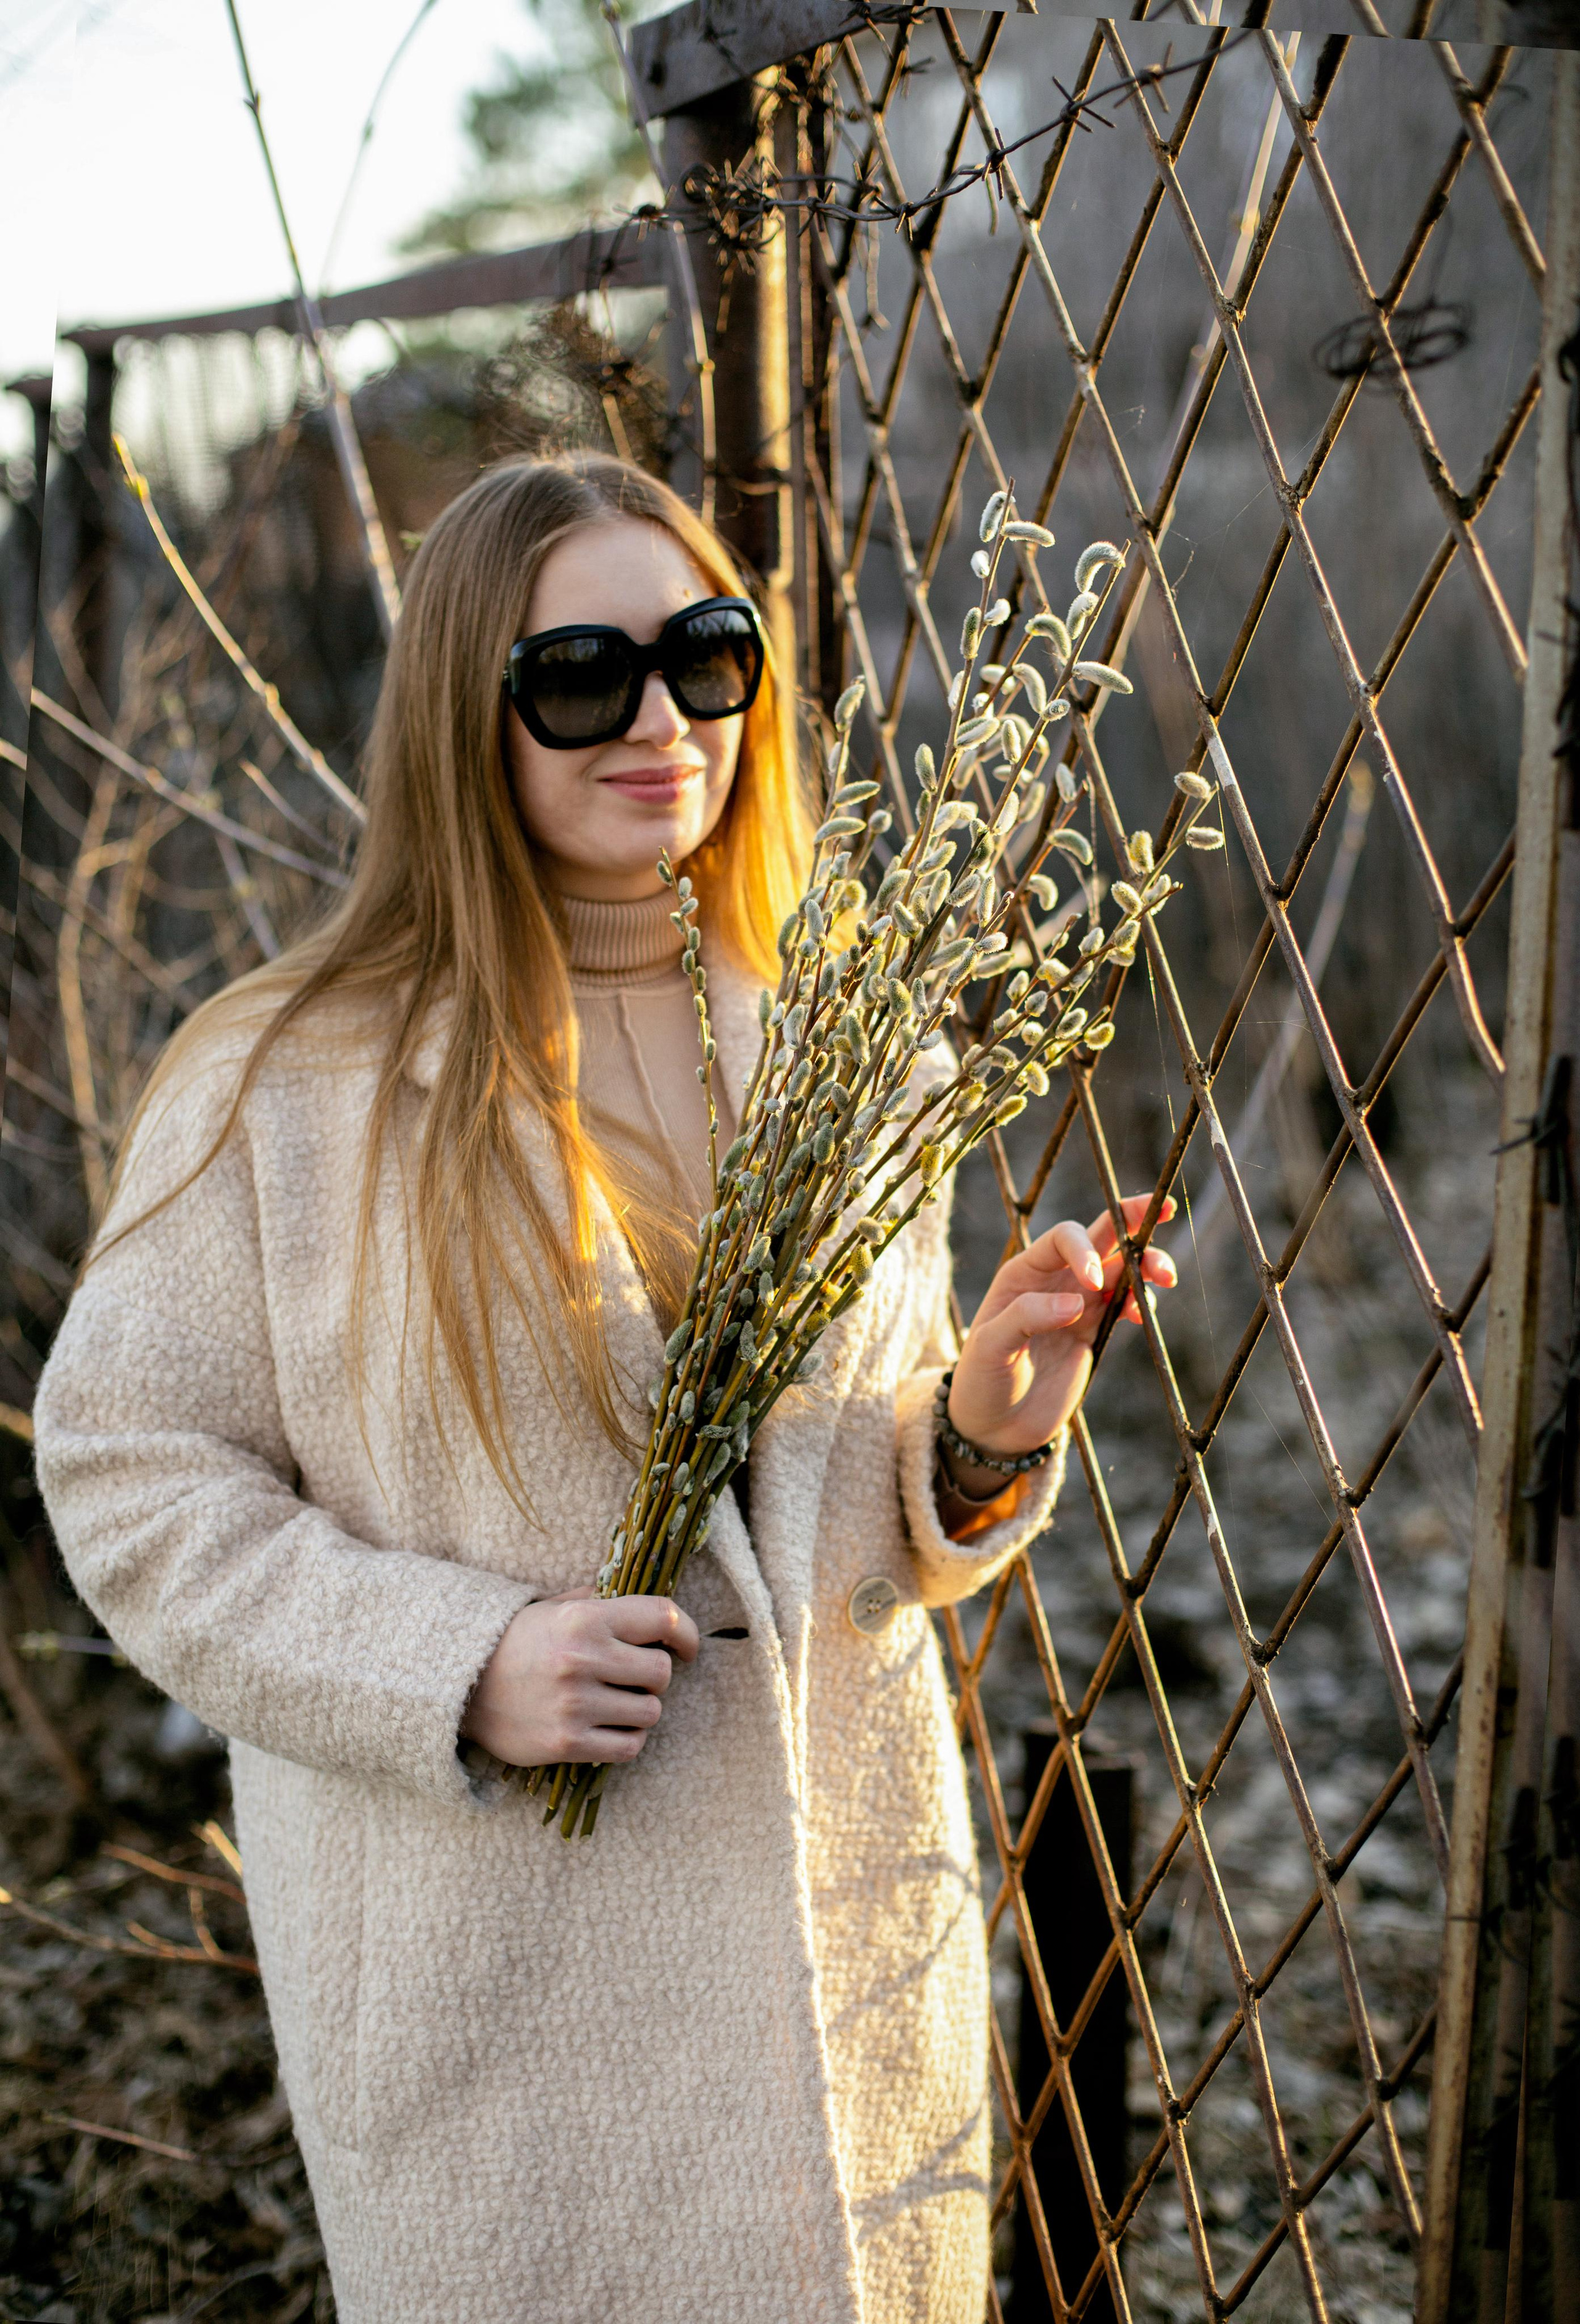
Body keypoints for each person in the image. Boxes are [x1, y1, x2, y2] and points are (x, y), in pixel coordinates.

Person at [35, 455, 1176, 2324]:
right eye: (582, 676)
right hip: (504, 2015)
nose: (661, 720)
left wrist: (978, 1429)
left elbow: (854, 1518)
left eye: (707, 658)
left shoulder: (845, 1037)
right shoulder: (283, 1083)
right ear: (465, 717)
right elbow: (128, 1478)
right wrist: (458, 1663)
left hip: (839, 1976)